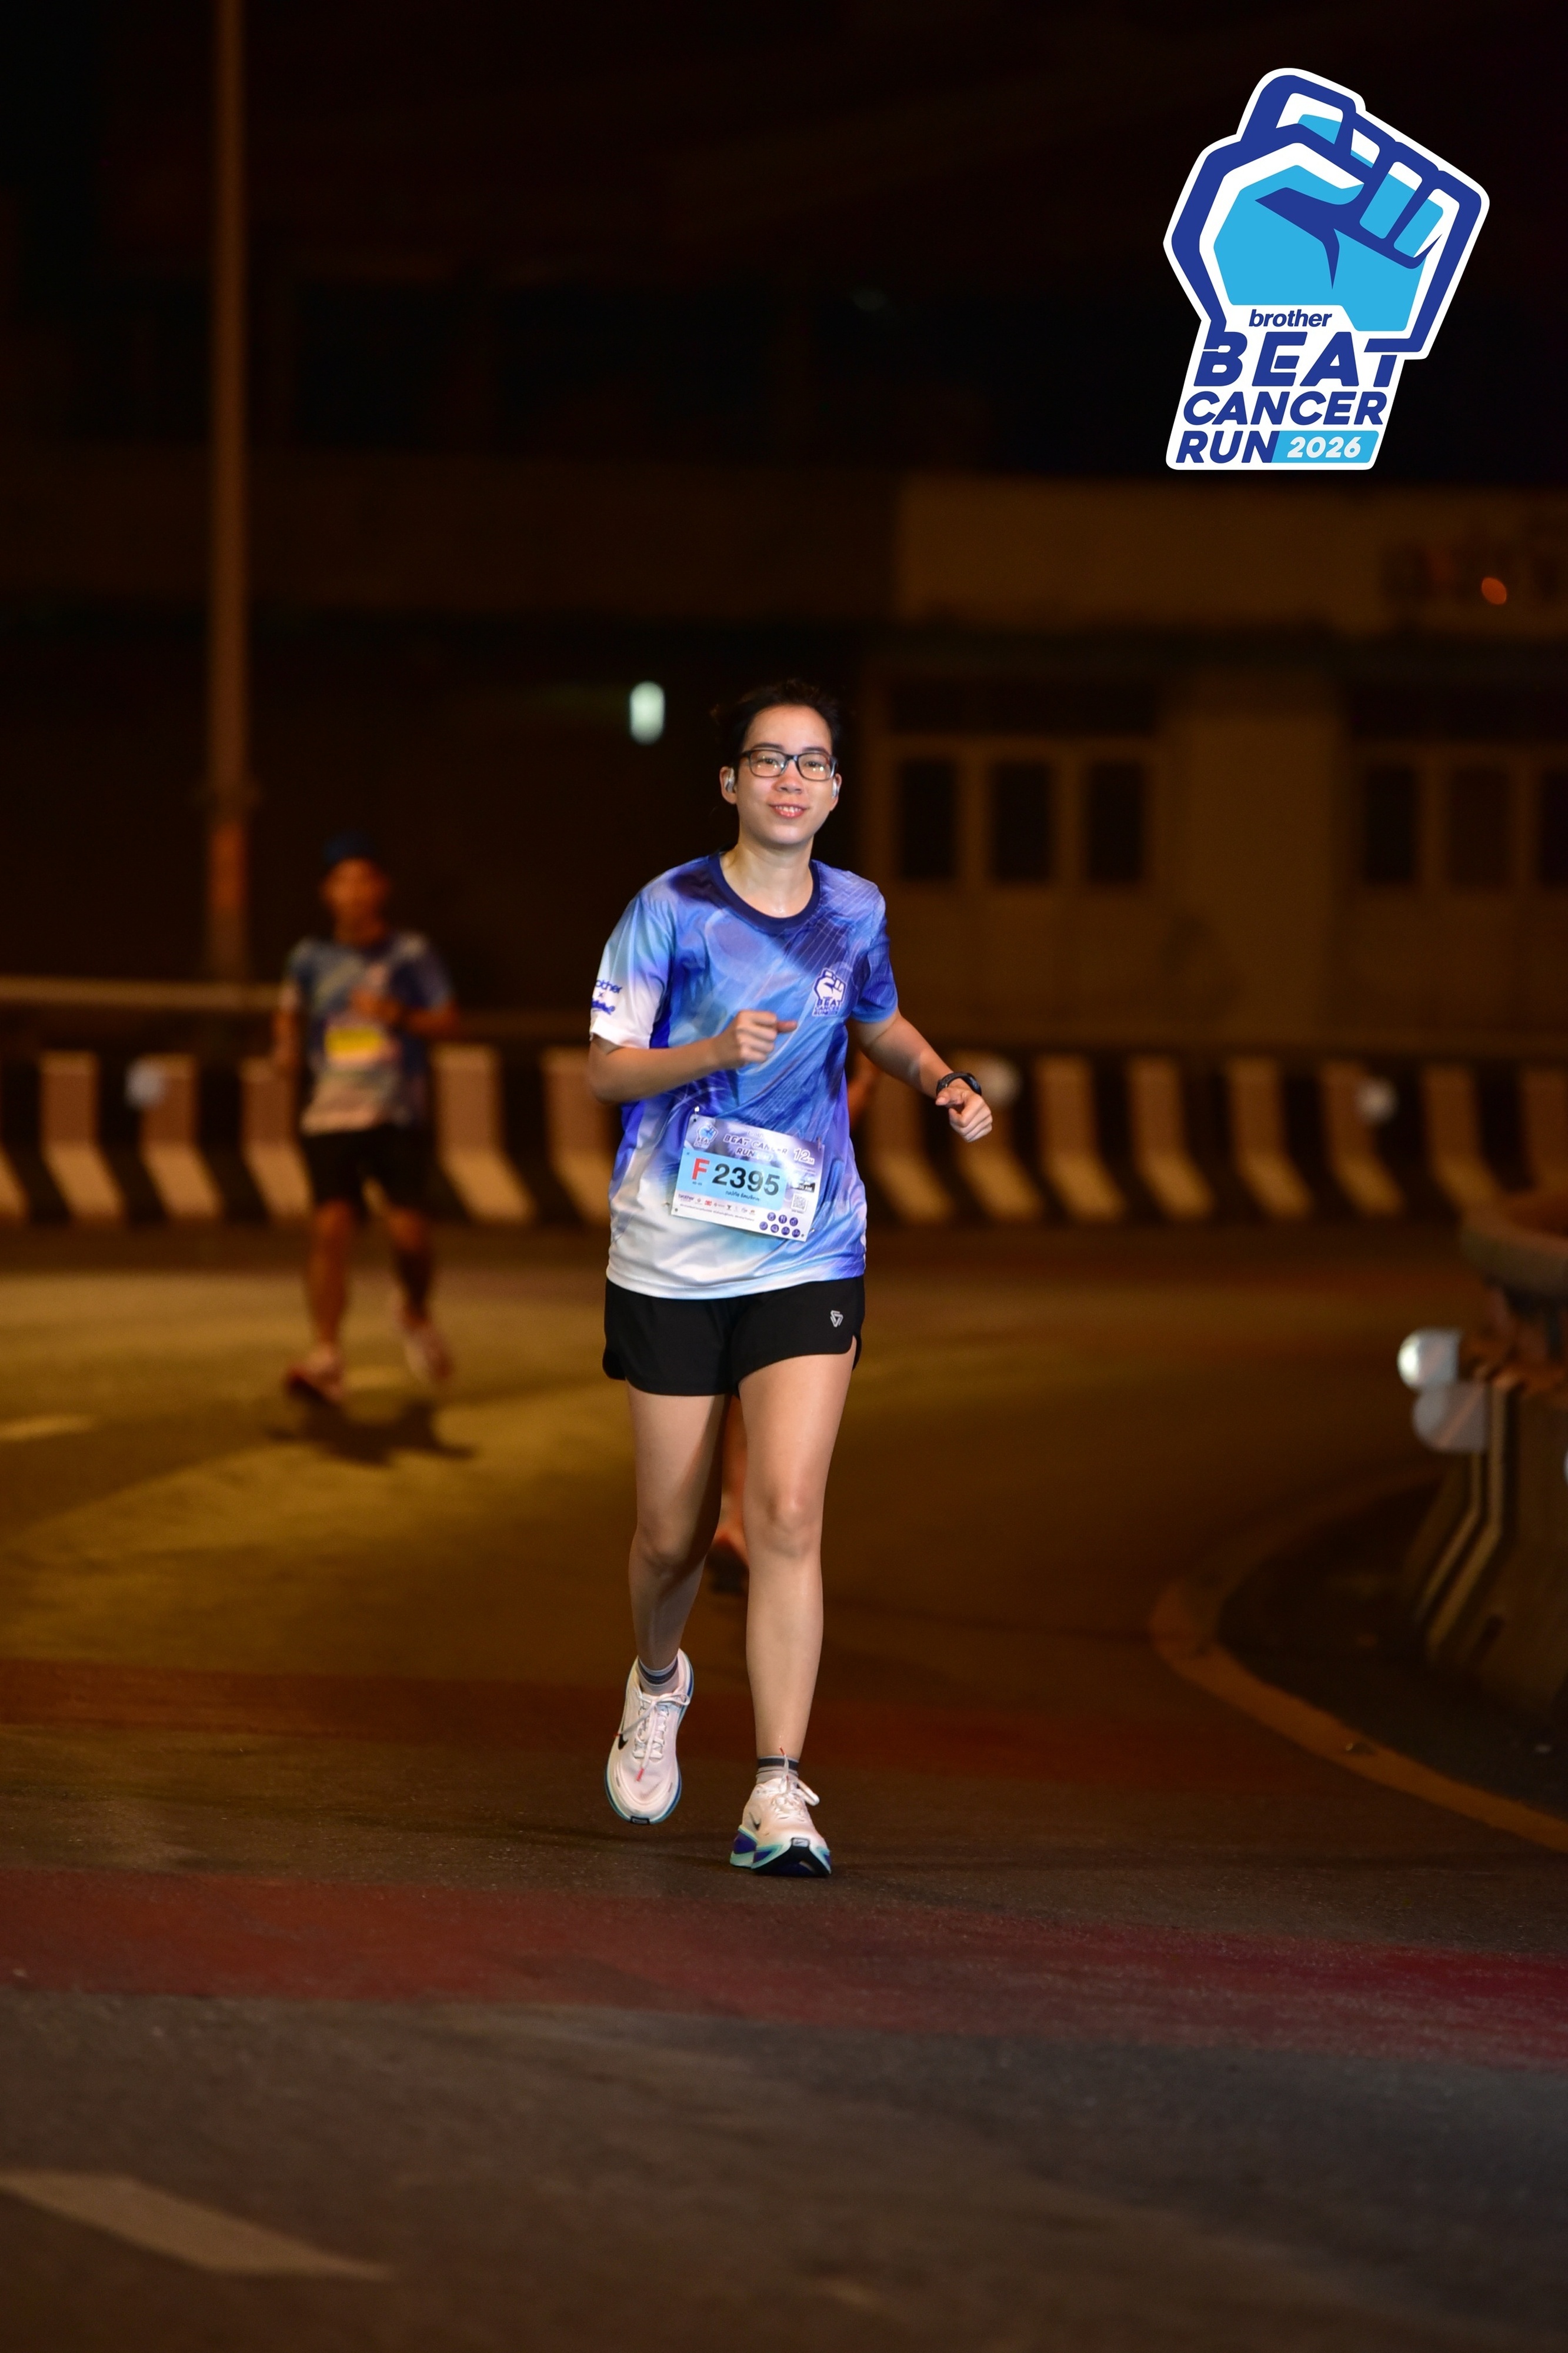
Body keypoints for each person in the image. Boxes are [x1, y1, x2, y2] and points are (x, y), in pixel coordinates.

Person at [588, 680, 991, 1877]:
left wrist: (939, 1079)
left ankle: (776, 1787)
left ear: (836, 789)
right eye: (768, 759)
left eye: (812, 763)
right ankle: (656, 1680)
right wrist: (710, 1050)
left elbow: (878, 1020)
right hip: (670, 1247)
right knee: (670, 1535)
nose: (790, 779)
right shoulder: (669, 908)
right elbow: (606, 1069)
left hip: (808, 1242)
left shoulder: (855, 909)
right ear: (730, 782)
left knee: (787, 1514)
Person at [273, 830, 460, 1407]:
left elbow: (447, 1021)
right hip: (328, 1114)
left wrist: (395, 1013)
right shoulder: (309, 958)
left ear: (381, 889)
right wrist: (285, 1047)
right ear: (327, 892)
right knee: (330, 1228)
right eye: (342, 882)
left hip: (395, 1112)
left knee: (409, 1237)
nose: (352, 892)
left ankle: (413, 1309)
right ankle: (326, 1355)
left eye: (362, 880)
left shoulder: (410, 955)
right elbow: (289, 1013)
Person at [705, 1048, 879, 1596]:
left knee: (735, 1393)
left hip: (722, 1219)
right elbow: (833, 1130)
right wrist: (867, 1079)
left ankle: (733, 1516)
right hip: (784, 1236)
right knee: (763, 1392)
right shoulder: (805, 1052)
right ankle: (745, 1521)